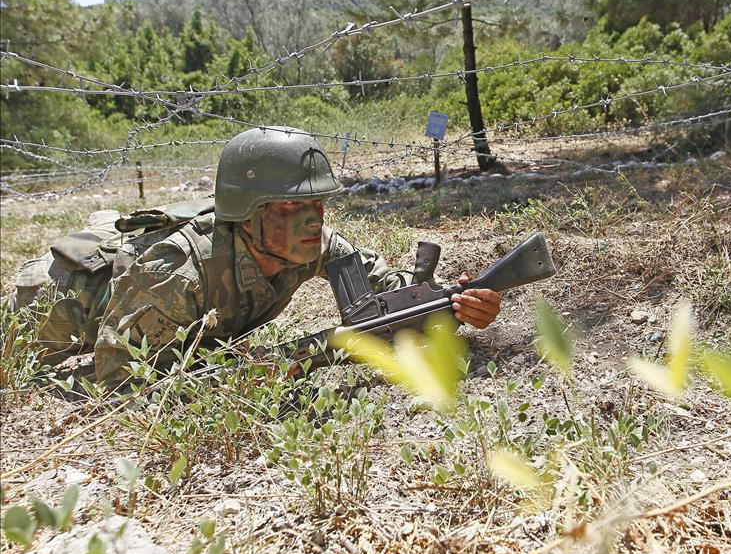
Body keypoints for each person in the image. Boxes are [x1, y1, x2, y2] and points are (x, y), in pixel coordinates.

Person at [5, 126, 502, 387]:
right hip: (52, 304)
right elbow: (119, 381)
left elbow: (395, 298)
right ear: (248, 212)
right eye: (292, 206)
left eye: (318, 202)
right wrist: (247, 377)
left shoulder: (313, 245)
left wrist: (453, 304)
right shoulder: (177, 271)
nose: (314, 219)